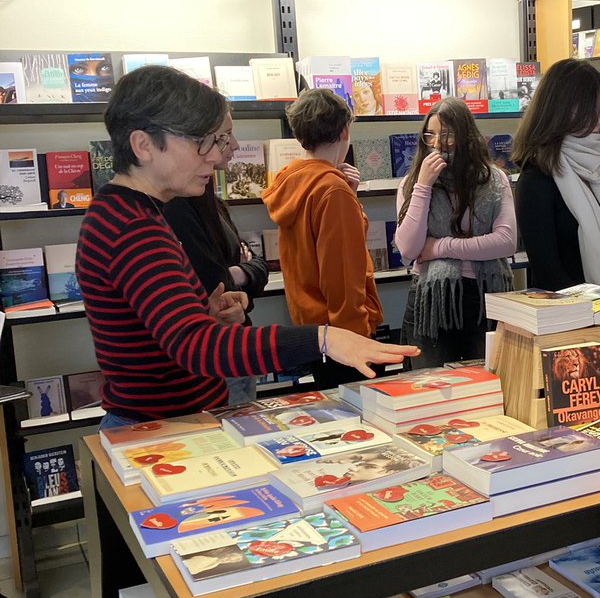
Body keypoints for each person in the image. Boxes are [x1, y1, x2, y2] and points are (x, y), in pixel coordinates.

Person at [74, 66, 415, 426]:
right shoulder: (131, 226)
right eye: (203, 141)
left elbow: (158, 334)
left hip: (175, 419)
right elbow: (196, 346)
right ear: (144, 145)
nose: (221, 153)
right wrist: (323, 339)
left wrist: (205, 313)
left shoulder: (138, 213)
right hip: (159, 427)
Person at [263, 88, 384, 390]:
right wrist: (357, 336)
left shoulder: (291, 180)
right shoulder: (331, 190)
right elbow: (342, 273)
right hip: (343, 336)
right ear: (344, 130)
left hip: (313, 329)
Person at [394, 97, 515, 368]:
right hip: (431, 300)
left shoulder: (494, 179)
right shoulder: (411, 183)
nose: (437, 144)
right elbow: (408, 250)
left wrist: (438, 247)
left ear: (465, 136)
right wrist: (423, 186)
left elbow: (505, 242)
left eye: (447, 136)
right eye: (430, 135)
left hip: (485, 298)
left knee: (487, 387)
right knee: (430, 390)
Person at [164, 117, 270, 404]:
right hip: (213, 361)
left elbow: (258, 263)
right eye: (224, 137)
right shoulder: (175, 207)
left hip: (232, 348)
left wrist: (240, 274)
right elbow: (215, 286)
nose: (233, 145)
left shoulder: (208, 198)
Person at [511, 58, 600, 290]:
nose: (598, 121)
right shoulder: (536, 181)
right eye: (588, 111)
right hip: (568, 316)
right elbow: (547, 268)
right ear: (558, 109)